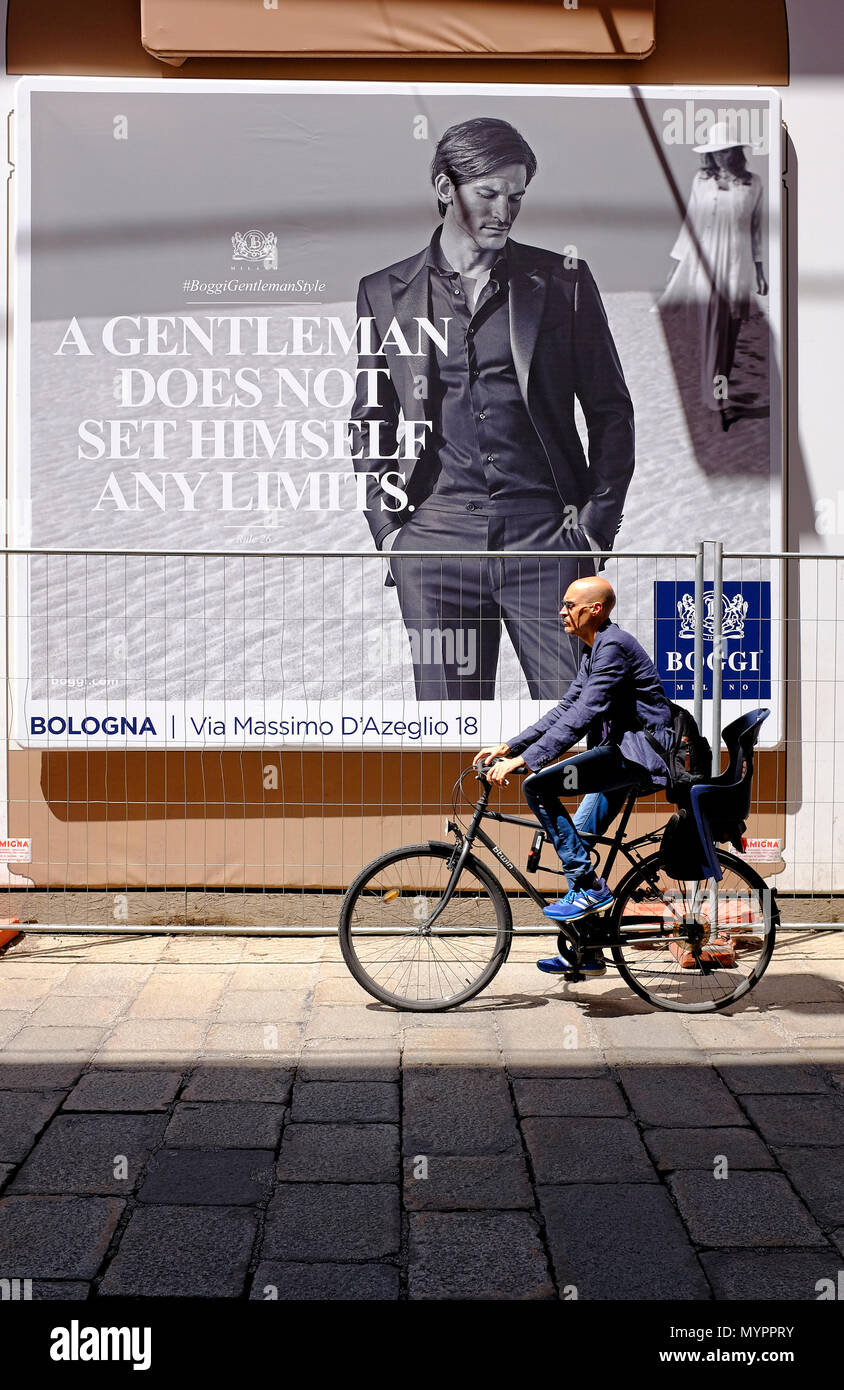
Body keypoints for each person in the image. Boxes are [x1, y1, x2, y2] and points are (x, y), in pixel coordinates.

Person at [349, 116, 635, 700]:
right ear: (443, 188)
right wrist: (388, 534)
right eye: (487, 194)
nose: (503, 211)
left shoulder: (564, 283)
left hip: (548, 541)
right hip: (435, 546)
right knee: (449, 735)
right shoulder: (383, 293)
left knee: (576, 723)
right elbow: (371, 421)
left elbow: (611, 411)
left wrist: (595, 529)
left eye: (516, 197)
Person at [473, 576, 674, 979]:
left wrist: (529, 763)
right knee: (575, 841)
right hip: (619, 755)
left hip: (635, 756)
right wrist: (512, 747)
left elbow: (585, 714)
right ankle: (590, 950)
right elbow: (567, 708)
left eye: (569, 605)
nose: (562, 612)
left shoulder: (613, 647)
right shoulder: (594, 650)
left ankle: (591, 888)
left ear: (594, 609)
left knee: (539, 786)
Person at [656, 119, 768, 432]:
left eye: (724, 151)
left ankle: (718, 391)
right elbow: (692, 220)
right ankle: (715, 402)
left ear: (734, 152)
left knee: (729, 335)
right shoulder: (701, 181)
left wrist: (759, 269)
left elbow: (755, 230)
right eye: (714, 152)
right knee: (712, 334)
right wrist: (678, 262)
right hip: (705, 264)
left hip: (737, 264)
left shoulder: (753, 184)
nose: (719, 157)